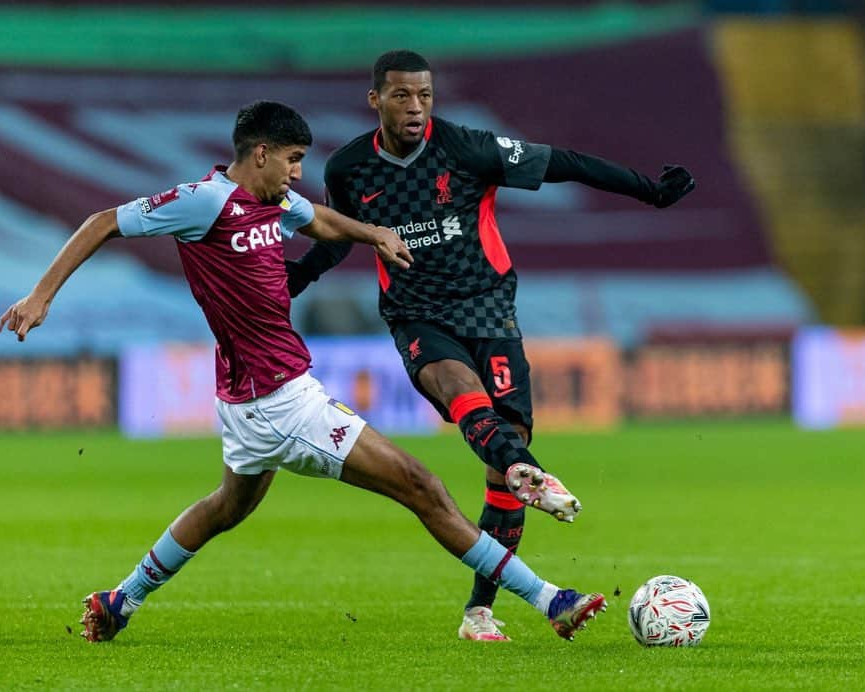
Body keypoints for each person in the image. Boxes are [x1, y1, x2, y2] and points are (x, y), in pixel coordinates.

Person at [0, 100, 606, 643]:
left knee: (223, 510)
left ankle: (119, 600)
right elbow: (105, 220)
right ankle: (551, 599)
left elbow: (317, 218)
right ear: (258, 153)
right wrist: (41, 296)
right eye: (290, 159)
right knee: (423, 489)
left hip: (244, 399)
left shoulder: (276, 202)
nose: (296, 172)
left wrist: (373, 235)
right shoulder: (204, 202)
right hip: (281, 402)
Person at [286, 50, 696, 642]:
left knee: (501, 459)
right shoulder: (350, 168)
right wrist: (298, 277)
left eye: (425, 95)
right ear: (376, 100)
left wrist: (648, 192)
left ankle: (480, 606)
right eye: (402, 96)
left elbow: (564, 163)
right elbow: (340, 237)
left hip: (489, 312)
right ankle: (531, 474)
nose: (416, 107)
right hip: (416, 316)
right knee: (464, 397)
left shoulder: (467, 148)